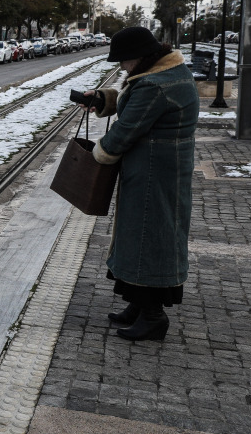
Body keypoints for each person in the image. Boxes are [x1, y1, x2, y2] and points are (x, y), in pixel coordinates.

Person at [76, 27, 198, 341]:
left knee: (148, 239)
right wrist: (103, 99)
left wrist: (98, 155)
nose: (121, 67)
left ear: (140, 56)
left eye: (124, 61)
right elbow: (135, 100)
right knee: (139, 236)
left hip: (154, 173)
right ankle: (137, 304)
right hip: (154, 168)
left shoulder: (157, 84)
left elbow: (127, 129)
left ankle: (153, 316)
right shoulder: (165, 72)